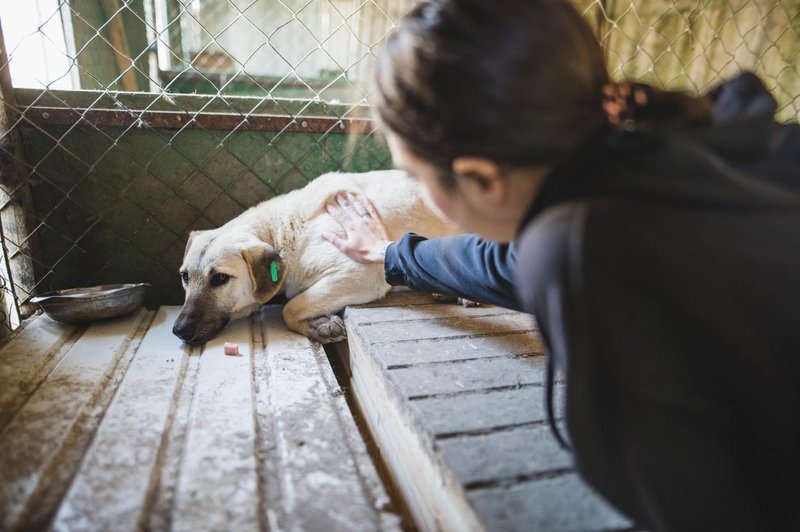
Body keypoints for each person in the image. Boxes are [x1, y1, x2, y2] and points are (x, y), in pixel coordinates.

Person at [322, 0, 800, 530]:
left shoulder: (579, 246)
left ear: (481, 177)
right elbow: (504, 262)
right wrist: (394, 255)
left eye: (416, 176)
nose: (421, 194)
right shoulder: (663, 146)